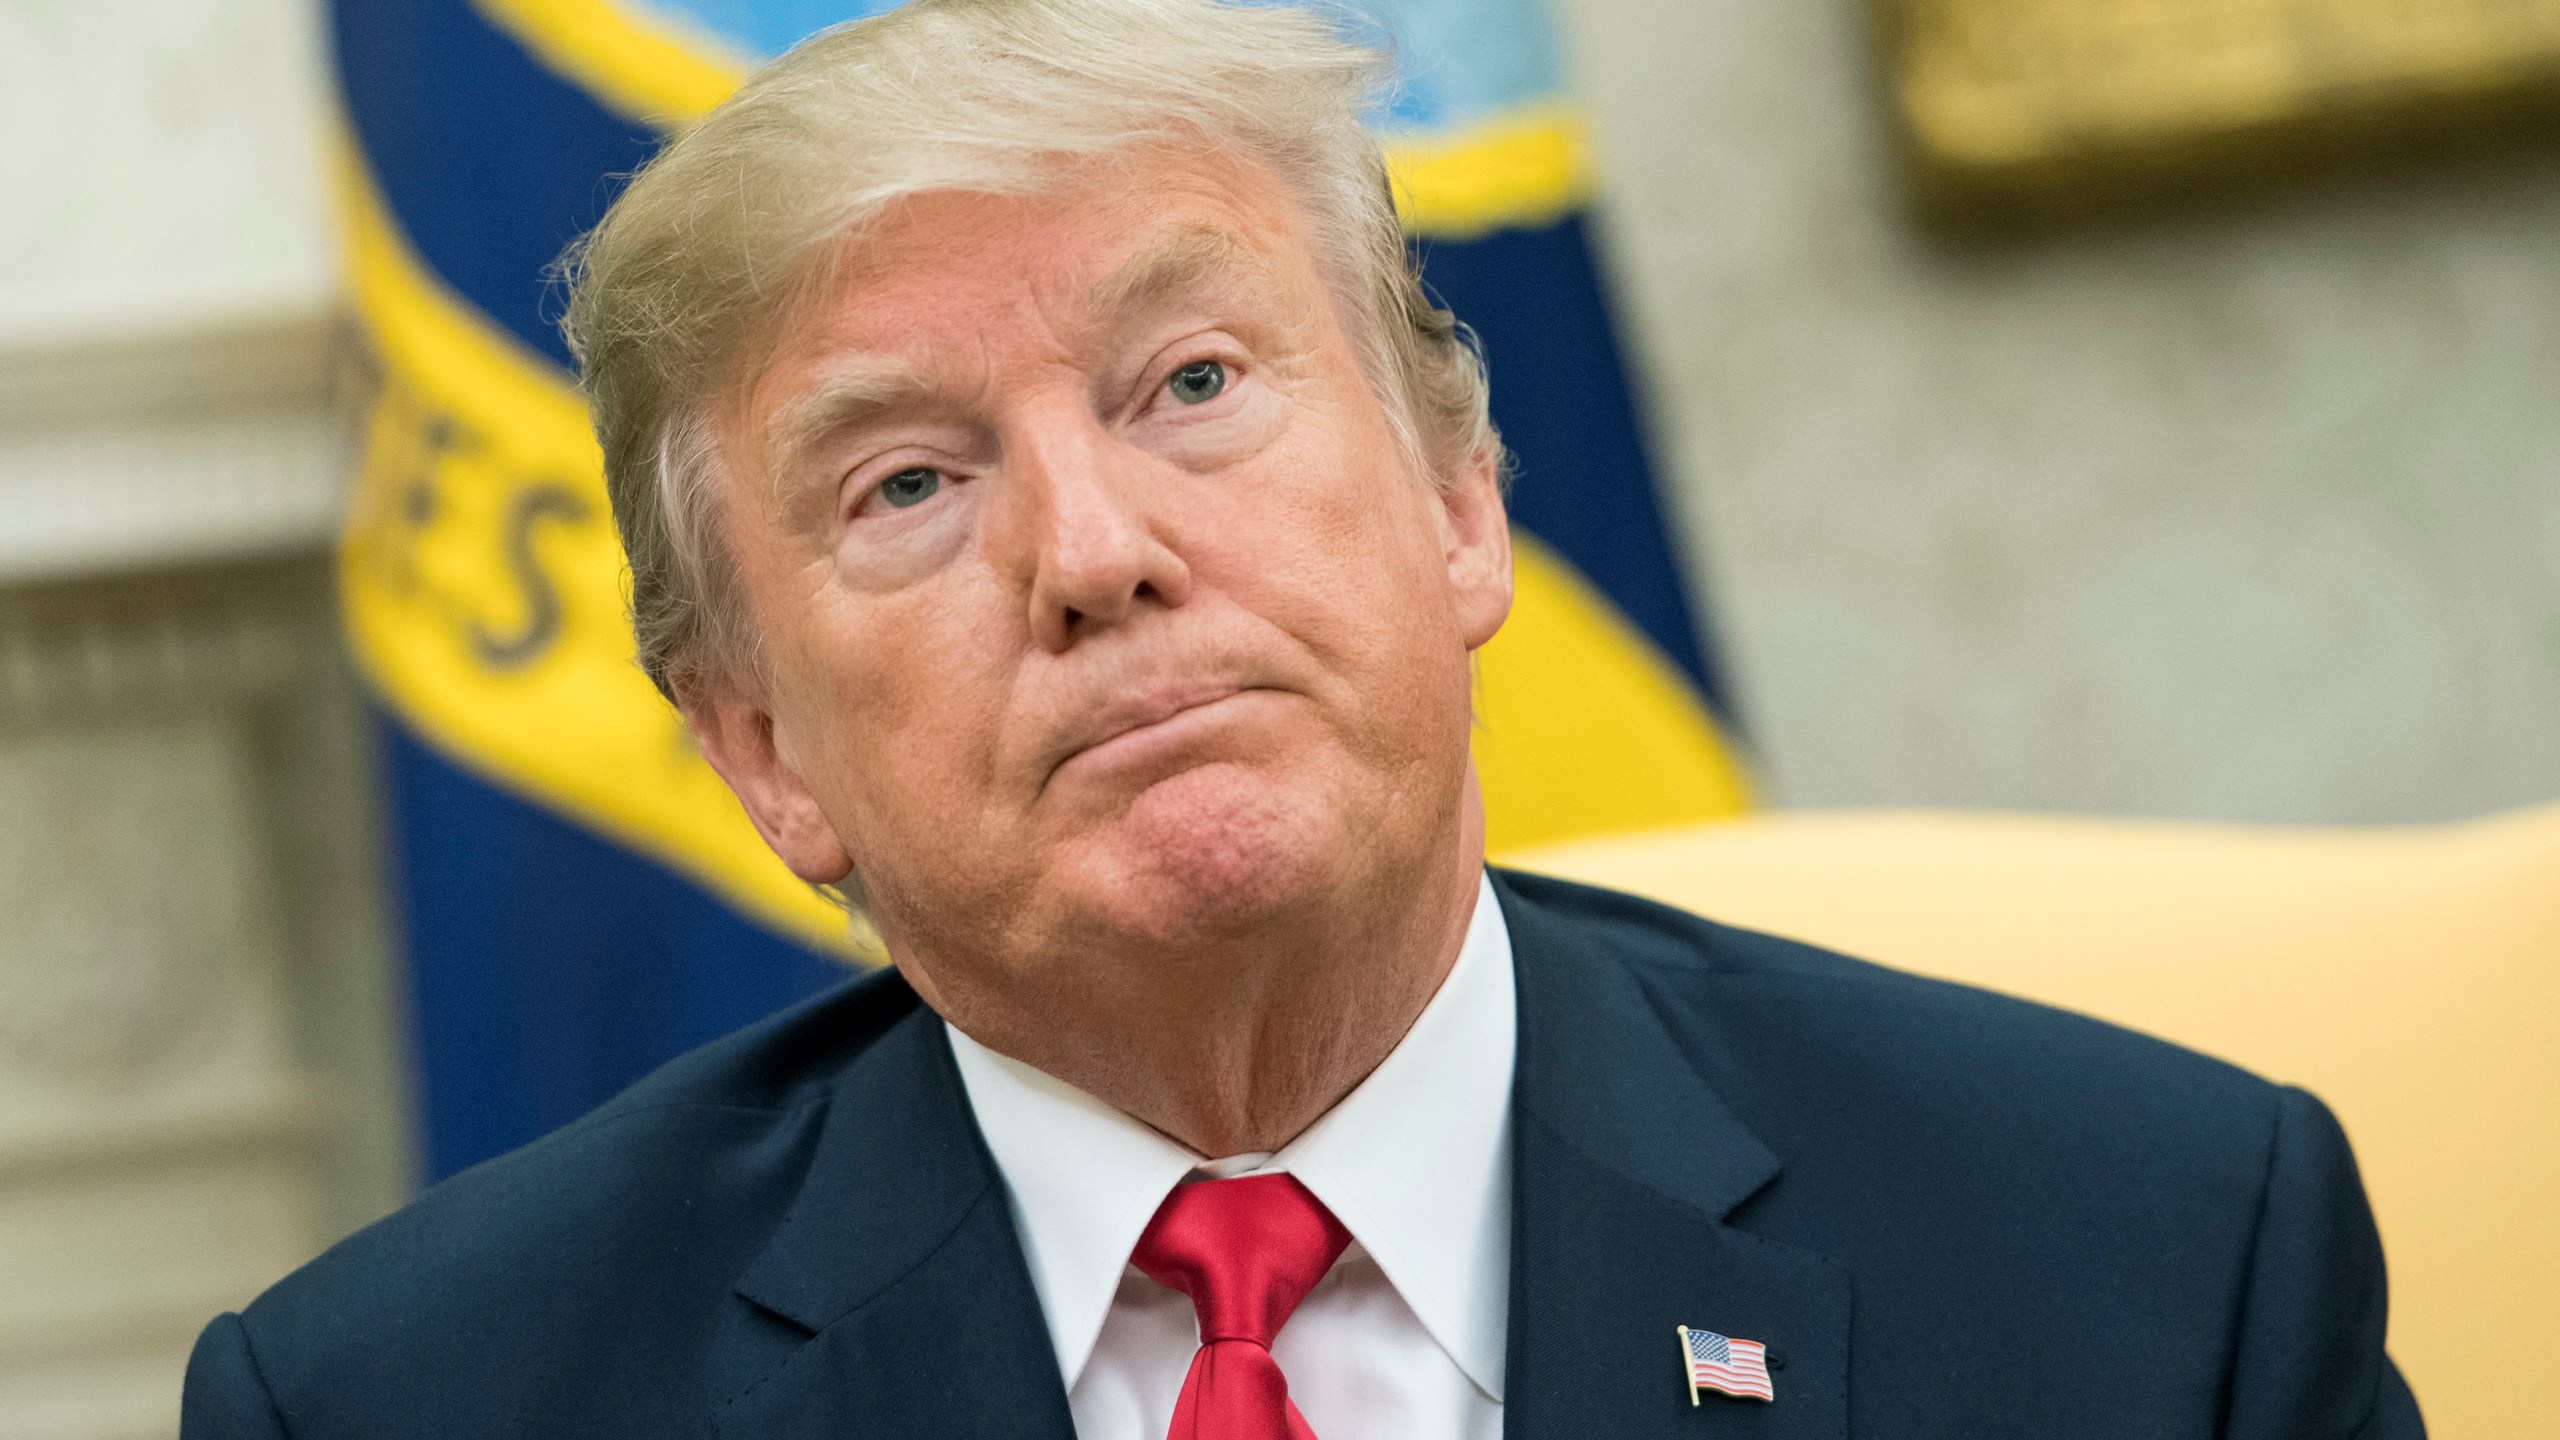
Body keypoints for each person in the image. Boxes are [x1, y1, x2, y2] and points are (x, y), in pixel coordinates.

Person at [182, 1, 2423, 1435]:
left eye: (1191, 385)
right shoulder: (412, 1409)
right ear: (760, 750)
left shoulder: (2145, 1273)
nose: (1092, 552)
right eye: (904, 484)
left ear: (1463, 507)